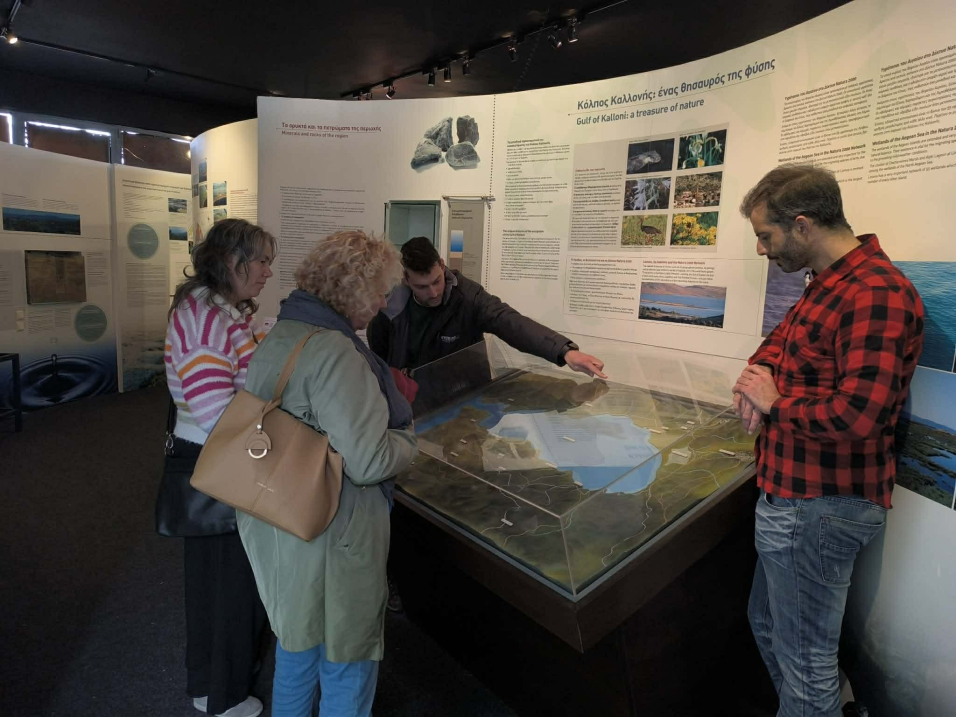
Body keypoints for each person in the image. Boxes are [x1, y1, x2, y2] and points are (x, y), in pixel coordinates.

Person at [732, 165, 924, 717]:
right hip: (794, 497)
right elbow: (781, 341)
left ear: (802, 225)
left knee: (807, 663)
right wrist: (757, 377)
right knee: (768, 624)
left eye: (765, 236)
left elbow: (859, 415)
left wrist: (774, 403)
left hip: (818, 504)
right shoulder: (830, 281)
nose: (762, 250)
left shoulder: (876, 292)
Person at [237, 230, 418, 717]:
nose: (382, 304)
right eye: (379, 291)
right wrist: (409, 439)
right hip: (334, 535)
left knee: (297, 652)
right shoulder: (337, 352)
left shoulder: (283, 332)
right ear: (354, 289)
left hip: (281, 518)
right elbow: (369, 461)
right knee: (347, 660)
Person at [163, 218, 276, 717]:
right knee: (226, 588)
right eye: (262, 261)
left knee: (220, 585)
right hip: (217, 463)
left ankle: (213, 685)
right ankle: (220, 696)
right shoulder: (206, 319)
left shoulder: (214, 310)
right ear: (232, 261)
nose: (268, 272)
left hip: (217, 459)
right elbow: (216, 416)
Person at [367, 236, 607, 378]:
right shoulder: (389, 310)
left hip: (464, 399)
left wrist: (564, 351)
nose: (433, 292)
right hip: (413, 404)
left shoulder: (468, 297)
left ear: (442, 264)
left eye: (437, 281)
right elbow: (380, 358)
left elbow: (509, 321)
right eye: (422, 287)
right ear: (405, 279)